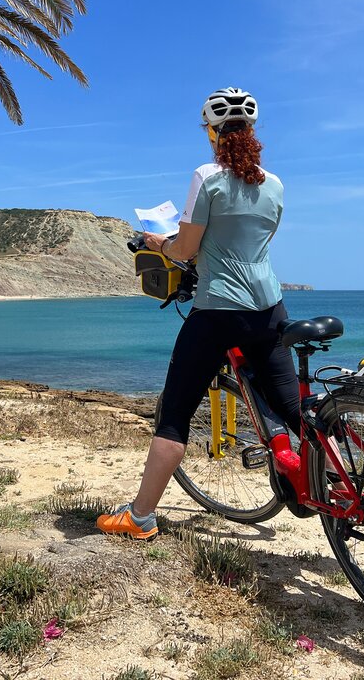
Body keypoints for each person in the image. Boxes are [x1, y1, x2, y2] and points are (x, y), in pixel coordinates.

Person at [97, 87, 302, 540]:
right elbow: (254, 243)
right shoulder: (275, 184)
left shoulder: (207, 177)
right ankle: (328, 481)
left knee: (175, 415)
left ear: (212, 132)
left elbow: (186, 249)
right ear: (252, 131)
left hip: (219, 310)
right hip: (270, 308)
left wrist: (160, 242)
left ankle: (140, 517)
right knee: (293, 408)